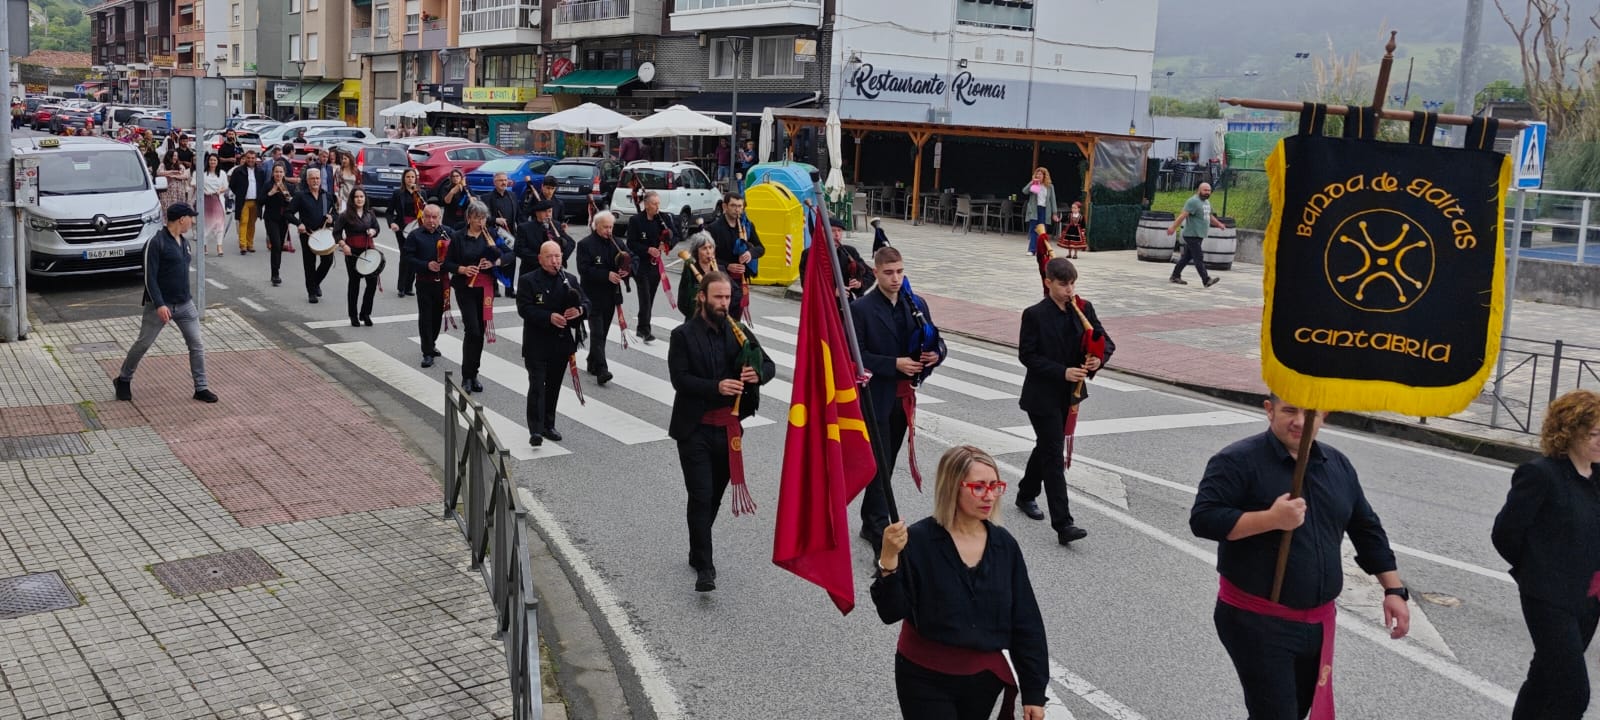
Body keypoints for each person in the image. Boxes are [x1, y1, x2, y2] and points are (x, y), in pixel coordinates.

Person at [1190, 394, 1411, 720]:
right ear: (1269, 410)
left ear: (1325, 415)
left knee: (1295, 711)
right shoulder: (1236, 460)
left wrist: (1393, 589)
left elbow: (1366, 527)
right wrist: (1271, 519)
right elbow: (1204, 520)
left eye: (1310, 413)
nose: (1299, 421)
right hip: (1256, 621)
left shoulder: (1337, 464)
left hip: (1318, 623)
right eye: (1289, 410)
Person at [871, 445, 1047, 720]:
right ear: (952, 488)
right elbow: (891, 611)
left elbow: (1025, 621)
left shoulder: (1004, 546)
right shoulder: (918, 540)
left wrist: (1034, 692)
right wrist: (889, 559)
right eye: (978, 487)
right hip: (924, 676)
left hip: (983, 680)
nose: (989, 496)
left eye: (995, 486)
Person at [1492, 389, 1600, 720]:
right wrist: (1537, 572)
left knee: (1543, 679)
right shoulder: (1540, 475)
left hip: (1589, 598)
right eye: (1594, 433)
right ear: (1570, 432)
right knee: (1573, 693)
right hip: (1549, 598)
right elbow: (1505, 534)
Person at [667, 271, 775, 592]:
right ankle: (706, 567)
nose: (724, 304)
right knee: (700, 495)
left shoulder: (738, 331)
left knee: (712, 496)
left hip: (728, 430)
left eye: (727, 298)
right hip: (695, 428)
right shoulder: (683, 335)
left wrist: (756, 373)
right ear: (702, 297)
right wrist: (716, 386)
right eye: (718, 297)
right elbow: (680, 380)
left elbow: (768, 366)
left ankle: (697, 546)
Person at [851, 246, 946, 551]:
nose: (895, 278)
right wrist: (894, 364)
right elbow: (855, 356)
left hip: (904, 396)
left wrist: (935, 355)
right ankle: (876, 522)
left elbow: (938, 341)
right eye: (889, 272)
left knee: (887, 461)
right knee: (879, 460)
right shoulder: (861, 309)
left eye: (900, 272)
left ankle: (872, 519)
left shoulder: (915, 303)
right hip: (876, 396)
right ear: (876, 272)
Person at [1015, 258, 1112, 544]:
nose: (1069, 290)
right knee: (1054, 454)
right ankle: (1063, 524)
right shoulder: (1034, 314)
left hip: (1070, 395)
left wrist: (1097, 360)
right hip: (1041, 395)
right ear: (1048, 283)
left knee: (1047, 445)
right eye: (1063, 284)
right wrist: (1063, 371)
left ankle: (1025, 493)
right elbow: (1027, 356)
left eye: (1072, 284)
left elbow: (1105, 341)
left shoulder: (1083, 309)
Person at [113, 203, 218, 405]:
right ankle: (123, 379)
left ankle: (201, 387)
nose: (192, 221)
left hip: (185, 304)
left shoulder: (185, 242)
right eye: (190, 217)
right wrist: (160, 304)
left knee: (196, 345)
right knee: (143, 343)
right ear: (181, 219)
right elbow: (149, 278)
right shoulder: (156, 243)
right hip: (160, 305)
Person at [517, 240, 589, 447]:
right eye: (549, 256)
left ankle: (549, 424)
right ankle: (536, 429)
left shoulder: (570, 280)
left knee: (554, 386)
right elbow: (525, 309)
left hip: (561, 343)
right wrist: (548, 317)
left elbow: (586, 302)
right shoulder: (528, 280)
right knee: (537, 385)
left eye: (557, 256)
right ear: (540, 259)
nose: (554, 260)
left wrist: (580, 311)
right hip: (537, 343)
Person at [443, 200, 501, 394]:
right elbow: (447, 263)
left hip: (485, 288)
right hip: (465, 287)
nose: (481, 222)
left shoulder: (491, 235)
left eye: (484, 218)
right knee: (473, 330)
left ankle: (474, 373)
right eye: (477, 218)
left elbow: (509, 254)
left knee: (481, 331)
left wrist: (494, 263)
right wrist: (462, 269)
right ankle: (466, 375)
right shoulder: (458, 237)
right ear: (469, 218)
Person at [576, 211, 630, 386]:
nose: (609, 230)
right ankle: (602, 370)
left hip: (611, 295)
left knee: (603, 332)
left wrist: (625, 270)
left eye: (611, 227)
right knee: (597, 332)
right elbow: (583, 269)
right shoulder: (585, 244)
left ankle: (593, 361)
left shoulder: (618, 243)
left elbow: (631, 259)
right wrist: (606, 275)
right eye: (605, 227)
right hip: (592, 296)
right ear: (596, 226)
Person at [626, 190, 677, 344]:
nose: (657, 207)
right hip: (640, 265)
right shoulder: (636, 220)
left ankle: (642, 326)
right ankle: (645, 330)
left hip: (655, 265)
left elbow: (675, 236)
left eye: (658, 204)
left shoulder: (663, 218)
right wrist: (647, 249)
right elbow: (631, 243)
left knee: (651, 296)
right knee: (645, 298)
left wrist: (666, 244)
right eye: (654, 204)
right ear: (646, 205)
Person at [404, 204, 452, 368]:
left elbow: (456, 254)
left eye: (434, 217)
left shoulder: (447, 233)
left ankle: (432, 343)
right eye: (428, 217)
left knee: (437, 315)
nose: (431, 220)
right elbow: (408, 259)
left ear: (440, 218)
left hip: (443, 281)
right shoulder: (415, 235)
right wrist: (426, 265)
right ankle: (427, 352)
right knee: (426, 316)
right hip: (424, 281)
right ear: (423, 217)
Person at [704, 192, 764, 319]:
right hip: (722, 277)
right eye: (733, 206)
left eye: (740, 206)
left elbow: (761, 248)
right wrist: (727, 266)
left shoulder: (747, 226)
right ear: (725, 207)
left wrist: (750, 253)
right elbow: (708, 257)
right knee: (722, 316)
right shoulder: (713, 228)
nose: (737, 210)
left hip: (740, 279)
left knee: (737, 316)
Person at [334, 187, 383, 327]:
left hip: (369, 250)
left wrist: (373, 231)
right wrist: (344, 245)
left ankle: (365, 313)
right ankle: (353, 315)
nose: (359, 199)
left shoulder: (370, 214)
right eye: (356, 197)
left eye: (362, 196)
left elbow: (377, 228)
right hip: (352, 251)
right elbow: (336, 233)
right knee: (354, 283)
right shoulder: (345, 215)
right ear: (352, 199)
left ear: (365, 198)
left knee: (372, 283)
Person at [1166, 182, 1225, 288]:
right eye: (1205, 190)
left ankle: (1175, 276)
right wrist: (1173, 227)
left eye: (1209, 190)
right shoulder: (1193, 201)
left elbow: (1209, 216)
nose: (1207, 192)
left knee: (1186, 257)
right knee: (1198, 257)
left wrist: (1219, 224)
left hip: (1199, 235)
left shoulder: (1206, 202)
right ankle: (1206, 280)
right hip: (1191, 234)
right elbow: (1183, 215)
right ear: (1199, 190)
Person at [291, 167, 337, 303]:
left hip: (324, 234)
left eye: (317, 178)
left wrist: (332, 218)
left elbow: (336, 213)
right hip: (308, 234)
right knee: (309, 263)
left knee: (328, 261)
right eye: (312, 178)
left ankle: (315, 282)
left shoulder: (327, 196)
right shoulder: (300, 196)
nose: (315, 181)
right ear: (307, 180)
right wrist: (298, 223)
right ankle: (311, 292)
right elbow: (288, 213)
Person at [799, 217, 871, 299]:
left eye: (839, 231)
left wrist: (860, 284)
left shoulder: (849, 252)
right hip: (824, 306)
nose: (837, 235)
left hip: (847, 306)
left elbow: (870, 274)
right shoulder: (810, 254)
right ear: (823, 233)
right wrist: (832, 292)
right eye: (833, 231)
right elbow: (807, 284)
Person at [389, 168, 427, 298]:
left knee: (414, 257)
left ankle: (409, 286)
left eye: (412, 177)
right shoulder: (398, 193)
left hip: (417, 228)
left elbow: (426, 210)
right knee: (405, 256)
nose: (410, 179)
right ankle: (401, 287)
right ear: (404, 179)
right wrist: (392, 223)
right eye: (408, 177)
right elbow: (389, 212)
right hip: (402, 228)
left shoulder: (421, 193)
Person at [516, 199, 574, 282]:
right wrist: (542, 260)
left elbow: (571, 242)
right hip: (532, 271)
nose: (548, 215)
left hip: (554, 271)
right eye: (545, 212)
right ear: (537, 213)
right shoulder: (525, 228)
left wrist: (560, 257)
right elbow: (519, 249)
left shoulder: (556, 225)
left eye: (550, 211)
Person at [261, 162, 295, 287]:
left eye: (281, 172)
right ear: (273, 173)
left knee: (279, 245)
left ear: (284, 173)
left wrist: (289, 199)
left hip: (283, 219)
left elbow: (294, 203)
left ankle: (276, 270)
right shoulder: (268, 185)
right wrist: (272, 192)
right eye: (276, 172)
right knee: (275, 244)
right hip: (271, 218)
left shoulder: (289, 186)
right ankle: (275, 274)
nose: (278, 174)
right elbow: (260, 200)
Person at [228, 150, 265, 255]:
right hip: (243, 201)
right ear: (245, 158)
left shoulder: (260, 171)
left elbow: (262, 185)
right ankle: (243, 245)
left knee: (252, 223)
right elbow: (232, 185)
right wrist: (239, 193)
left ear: (256, 159)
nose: (250, 160)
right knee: (243, 222)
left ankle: (250, 244)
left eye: (253, 158)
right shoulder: (238, 171)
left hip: (255, 201)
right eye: (248, 158)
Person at [677, 231, 721, 319]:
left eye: (710, 247)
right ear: (696, 251)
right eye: (704, 248)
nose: (709, 252)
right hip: (695, 319)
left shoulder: (719, 269)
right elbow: (683, 300)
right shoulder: (690, 269)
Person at [198, 154, 229, 258]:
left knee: (219, 224)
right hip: (206, 201)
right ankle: (204, 246)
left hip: (218, 201)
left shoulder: (222, 174)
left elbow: (226, 187)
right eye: (211, 160)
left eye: (214, 160)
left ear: (217, 162)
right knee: (205, 225)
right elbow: (199, 186)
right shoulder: (203, 174)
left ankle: (219, 246)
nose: (212, 162)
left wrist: (220, 191)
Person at [333, 150, 360, 215]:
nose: (343, 160)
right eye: (342, 159)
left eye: (345, 159)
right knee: (342, 214)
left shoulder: (356, 171)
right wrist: (337, 197)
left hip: (352, 195)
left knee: (352, 215)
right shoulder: (339, 170)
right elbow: (335, 184)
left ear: (350, 159)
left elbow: (359, 184)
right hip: (342, 195)